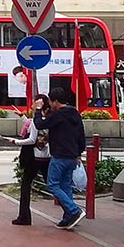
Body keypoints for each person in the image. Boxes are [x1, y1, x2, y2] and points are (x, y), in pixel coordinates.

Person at [33, 87, 87, 229]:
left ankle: (74, 210)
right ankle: (68, 217)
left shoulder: (58, 115)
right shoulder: (75, 113)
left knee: (52, 184)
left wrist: (38, 110)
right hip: (72, 156)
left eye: (50, 101)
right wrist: (79, 152)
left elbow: (40, 124)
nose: (49, 104)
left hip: (60, 155)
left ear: (55, 101)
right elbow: (81, 135)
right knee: (65, 185)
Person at [5, 94, 51, 226]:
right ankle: (70, 210)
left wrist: (15, 141)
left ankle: (24, 216)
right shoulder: (48, 119)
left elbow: (31, 139)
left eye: (35, 104)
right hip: (46, 157)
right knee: (53, 186)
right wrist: (22, 116)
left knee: (25, 186)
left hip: (34, 158)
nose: (31, 105)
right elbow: (33, 127)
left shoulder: (37, 121)